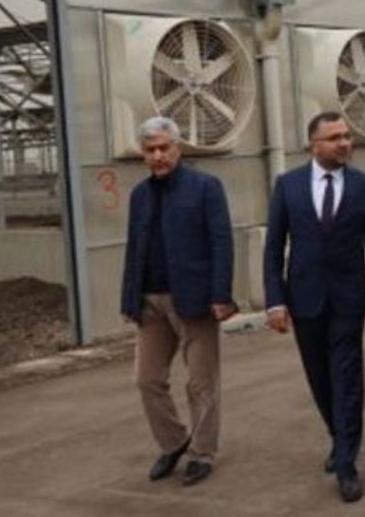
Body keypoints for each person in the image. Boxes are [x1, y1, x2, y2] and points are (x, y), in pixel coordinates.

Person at [263, 112, 365, 503]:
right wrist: (275, 301)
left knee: (347, 377)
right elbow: (274, 248)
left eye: (347, 136)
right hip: (304, 298)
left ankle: (347, 464)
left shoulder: (364, 186)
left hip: (347, 299)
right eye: (335, 138)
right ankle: (339, 437)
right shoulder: (288, 186)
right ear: (313, 145)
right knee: (319, 377)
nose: (344, 143)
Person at [120, 116, 235, 487]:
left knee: (201, 382)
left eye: (164, 148)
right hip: (149, 302)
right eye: (150, 150)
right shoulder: (140, 195)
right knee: (147, 380)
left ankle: (202, 452)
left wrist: (221, 294)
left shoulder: (205, 188)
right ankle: (173, 443)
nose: (158, 156)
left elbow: (221, 242)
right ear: (143, 154)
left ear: (178, 148)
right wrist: (129, 298)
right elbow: (134, 248)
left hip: (195, 300)